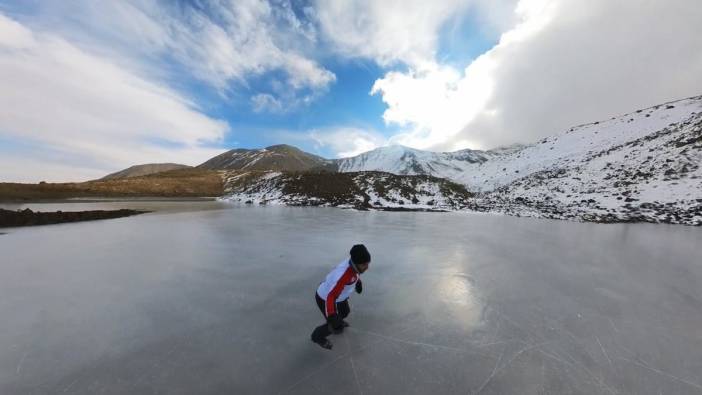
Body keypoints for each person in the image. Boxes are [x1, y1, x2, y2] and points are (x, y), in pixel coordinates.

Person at [310, 244, 370, 350]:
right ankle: (317, 336)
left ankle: (337, 321)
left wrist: (358, 282)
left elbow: (355, 274)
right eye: (364, 264)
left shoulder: (354, 265)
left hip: (340, 297)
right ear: (356, 263)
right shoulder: (343, 275)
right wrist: (332, 316)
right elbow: (331, 296)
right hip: (325, 298)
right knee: (335, 326)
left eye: (367, 263)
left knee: (345, 312)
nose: (367, 267)